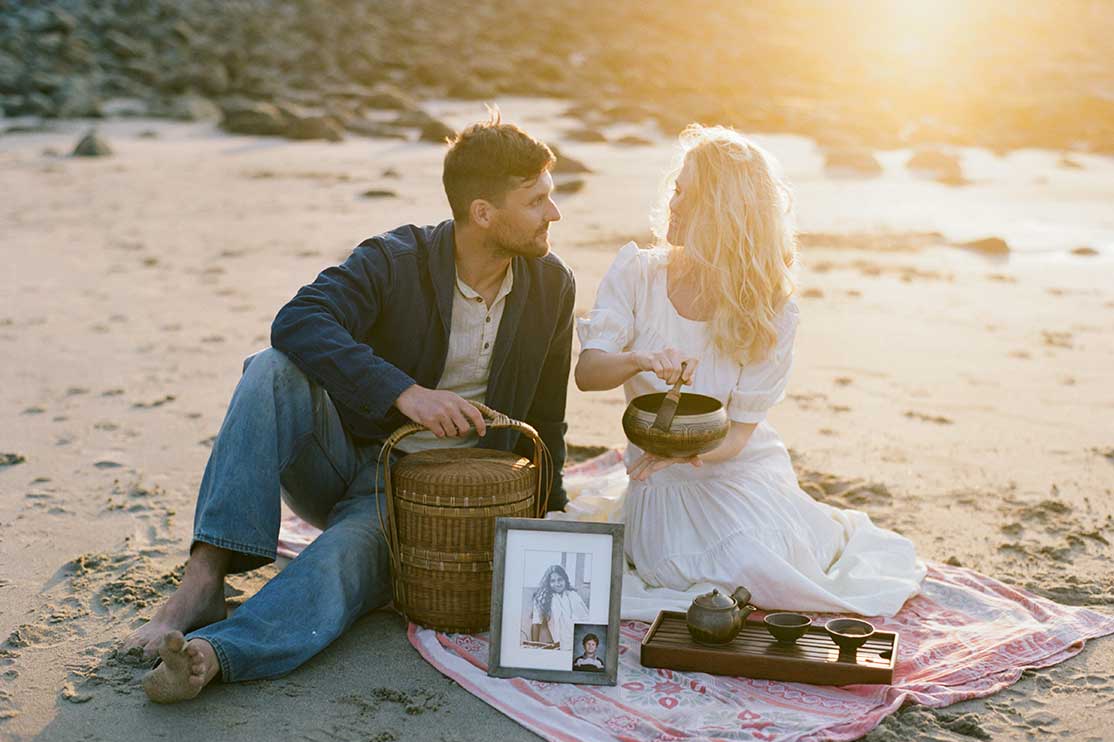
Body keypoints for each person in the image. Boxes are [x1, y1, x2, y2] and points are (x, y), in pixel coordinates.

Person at [123, 110, 576, 703]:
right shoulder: (395, 259)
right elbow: (298, 319)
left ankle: (217, 655)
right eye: (537, 199)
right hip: (340, 458)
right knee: (270, 369)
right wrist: (403, 392)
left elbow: (546, 415)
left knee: (338, 566)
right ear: (483, 213)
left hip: (425, 500)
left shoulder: (552, 286)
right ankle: (204, 578)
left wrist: (552, 514)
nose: (554, 213)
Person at [571, 124, 925, 616]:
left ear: (722, 215)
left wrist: (685, 455)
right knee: (685, 571)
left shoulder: (770, 309)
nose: (672, 206)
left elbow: (737, 437)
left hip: (732, 467)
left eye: (688, 197)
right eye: (675, 190)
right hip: (659, 480)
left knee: (765, 565)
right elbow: (588, 373)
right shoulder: (637, 274)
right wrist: (639, 359)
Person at [529, 564, 589, 649]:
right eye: (552, 581)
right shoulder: (543, 598)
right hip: (559, 642)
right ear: (548, 583)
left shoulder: (573, 595)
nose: (557, 584)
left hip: (578, 639)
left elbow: (585, 618)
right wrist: (534, 646)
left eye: (560, 579)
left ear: (565, 579)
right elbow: (536, 623)